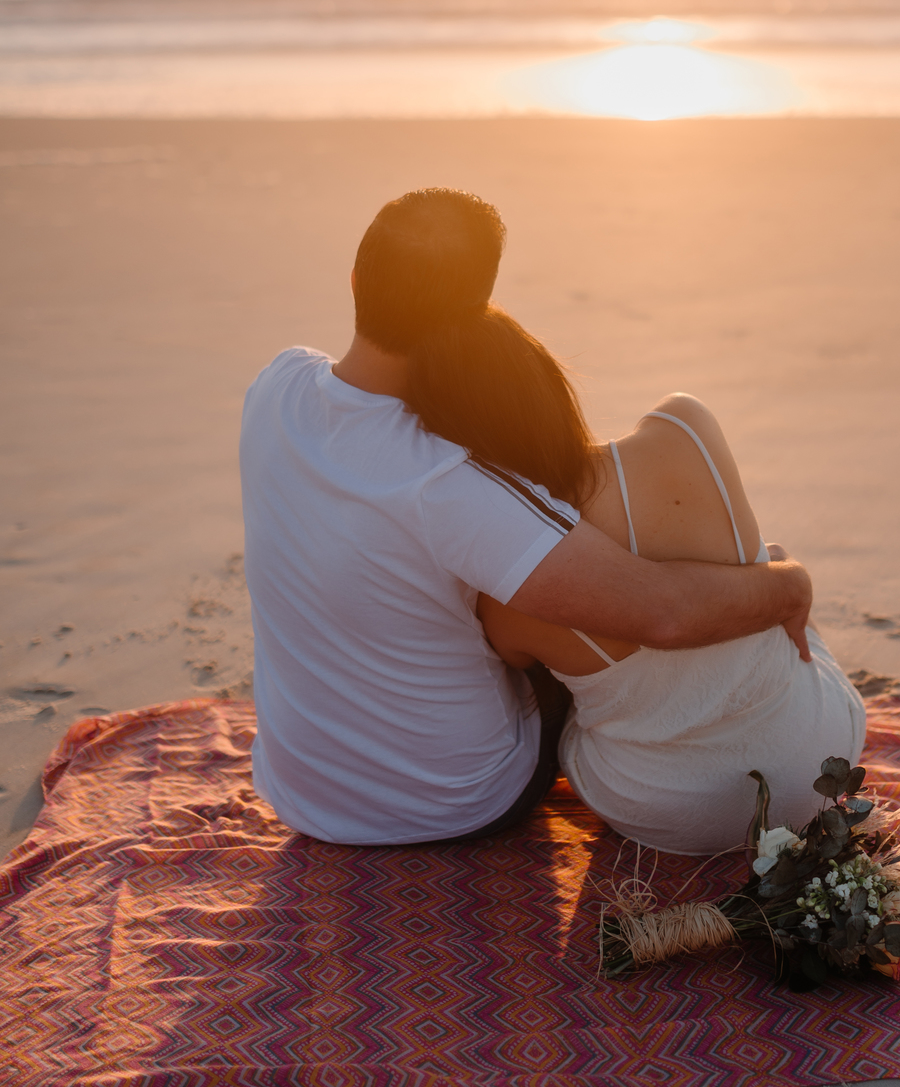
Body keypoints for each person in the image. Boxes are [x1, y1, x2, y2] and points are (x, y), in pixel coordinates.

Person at [240, 187, 814, 846]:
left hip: (304, 796)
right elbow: (663, 612)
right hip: (458, 803)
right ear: (472, 314)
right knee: (574, 585)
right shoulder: (448, 481)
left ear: (355, 280)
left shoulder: (274, 388)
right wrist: (786, 585)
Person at [405, 303, 866, 854]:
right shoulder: (683, 428)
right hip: (818, 766)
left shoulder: (501, 593)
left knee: (565, 688)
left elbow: (524, 672)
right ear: (548, 380)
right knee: (769, 558)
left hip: (670, 809)